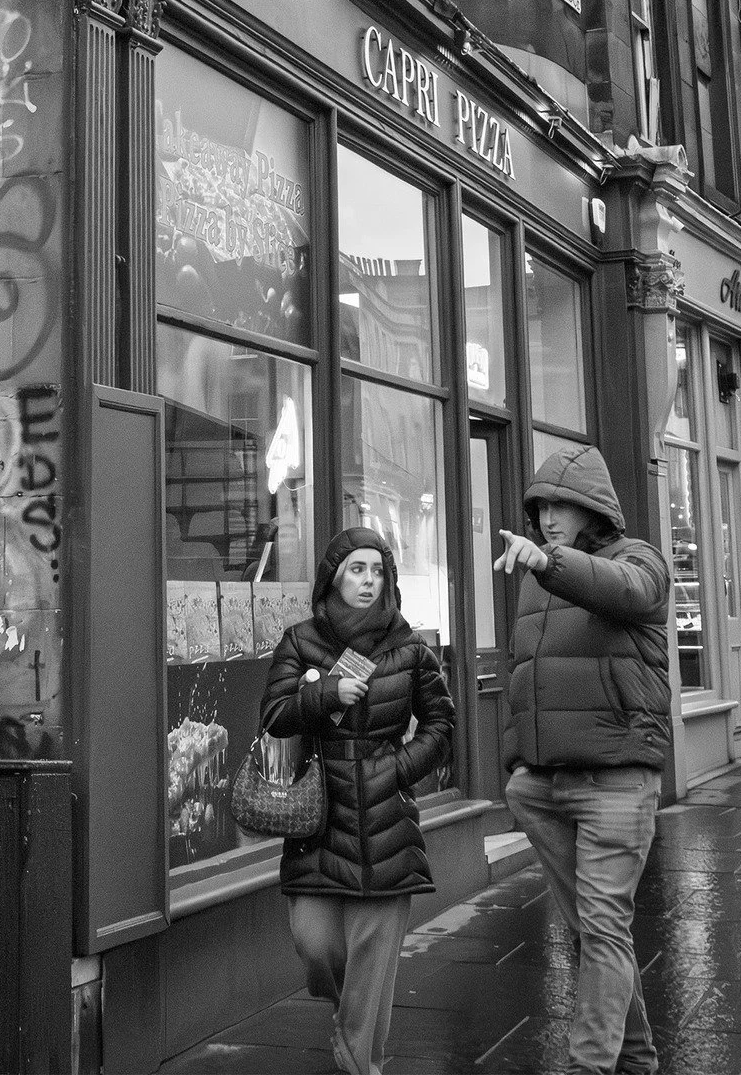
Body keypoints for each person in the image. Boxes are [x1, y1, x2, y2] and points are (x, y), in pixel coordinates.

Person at [495, 445, 671, 1075]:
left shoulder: (639, 561)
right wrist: (517, 766)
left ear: (593, 507)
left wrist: (550, 564)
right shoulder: (538, 586)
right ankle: (639, 1059)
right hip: (545, 788)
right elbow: (525, 675)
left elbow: (621, 590)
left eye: (560, 504)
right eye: (539, 505)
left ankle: (588, 1066)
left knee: (600, 933)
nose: (546, 516)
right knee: (602, 937)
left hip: (616, 784)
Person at [261, 527, 454, 1075]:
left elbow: (442, 724)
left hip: (387, 820)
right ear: (334, 577)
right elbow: (273, 717)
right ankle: (355, 1015)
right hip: (319, 817)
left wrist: (398, 768)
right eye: (357, 570)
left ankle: (358, 1060)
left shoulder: (409, 647)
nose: (368, 582)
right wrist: (323, 694)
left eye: (377, 571)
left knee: (373, 956)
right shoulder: (301, 642)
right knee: (315, 944)